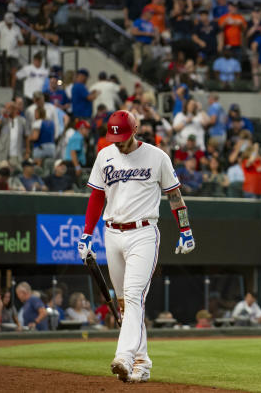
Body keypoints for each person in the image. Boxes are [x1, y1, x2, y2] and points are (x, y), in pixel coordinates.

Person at [77, 110, 195, 383]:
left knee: (133, 297)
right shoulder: (105, 155)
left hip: (143, 233)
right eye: (114, 137)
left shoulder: (157, 156)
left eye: (123, 137)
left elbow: (175, 196)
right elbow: (96, 198)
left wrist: (186, 229)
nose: (118, 142)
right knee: (124, 304)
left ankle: (124, 356)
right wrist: (86, 234)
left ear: (135, 130)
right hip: (112, 232)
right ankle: (142, 364)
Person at [0, 13, 24, 87]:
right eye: (8, 21)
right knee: (3, 72)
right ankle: (3, 87)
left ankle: (12, 89)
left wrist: (16, 43)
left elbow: (21, 41)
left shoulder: (16, 28)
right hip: (2, 53)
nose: (10, 23)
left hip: (14, 53)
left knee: (14, 72)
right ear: (4, 20)